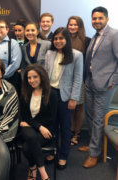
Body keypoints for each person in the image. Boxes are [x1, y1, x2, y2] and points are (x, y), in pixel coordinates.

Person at [81, 6, 118, 168]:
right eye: (94, 18)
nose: (96, 21)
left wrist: (114, 80)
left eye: (100, 18)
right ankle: (93, 144)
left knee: (97, 118)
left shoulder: (114, 35)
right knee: (89, 115)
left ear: (107, 19)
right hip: (90, 82)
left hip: (105, 85)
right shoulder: (95, 36)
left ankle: (94, 154)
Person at [44, 27, 83, 169]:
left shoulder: (76, 55)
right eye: (55, 38)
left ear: (66, 39)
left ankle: (63, 155)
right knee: (51, 125)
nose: (58, 41)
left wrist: (74, 98)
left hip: (66, 96)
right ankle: (52, 151)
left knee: (65, 127)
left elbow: (78, 79)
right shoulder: (50, 53)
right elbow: (46, 74)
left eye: (61, 38)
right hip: (51, 94)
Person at [20, 64, 57, 180]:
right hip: (33, 128)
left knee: (27, 147)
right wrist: (38, 126)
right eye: (29, 78)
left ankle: (32, 168)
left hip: (46, 130)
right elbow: (25, 116)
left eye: (35, 77)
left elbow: (51, 119)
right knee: (30, 137)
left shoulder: (52, 94)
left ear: (41, 77)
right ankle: (44, 175)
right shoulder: (25, 93)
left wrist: (33, 124)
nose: (31, 80)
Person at [66, 16, 91, 146]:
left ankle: (77, 133)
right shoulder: (63, 39)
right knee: (69, 107)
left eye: (75, 25)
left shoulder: (87, 41)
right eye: (70, 24)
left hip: (79, 79)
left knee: (78, 107)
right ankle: (69, 131)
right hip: (65, 79)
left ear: (80, 26)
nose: (72, 27)